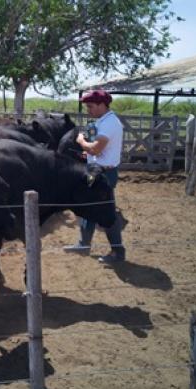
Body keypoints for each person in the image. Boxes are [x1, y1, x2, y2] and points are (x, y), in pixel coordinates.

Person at [63, 89, 126, 264]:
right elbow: (99, 152)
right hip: (98, 170)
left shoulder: (109, 123)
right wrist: (89, 156)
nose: (88, 110)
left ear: (102, 105)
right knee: (87, 206)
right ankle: (84, 244)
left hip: (103, 174)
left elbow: (96, 148)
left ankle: (117, 252)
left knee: (105, 211)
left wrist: (81, 141)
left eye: (90, 106)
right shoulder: (105, 121)